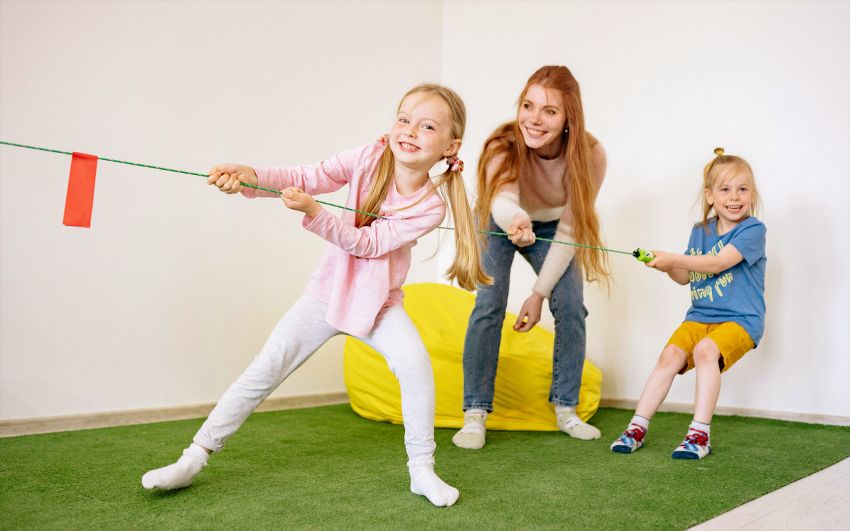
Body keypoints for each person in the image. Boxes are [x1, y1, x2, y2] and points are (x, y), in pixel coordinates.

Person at [141, 84, 489, 507]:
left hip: (378, 305)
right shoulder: (368, 156)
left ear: (450, 146)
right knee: (266, 367)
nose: (410, 131)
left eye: (427, 126)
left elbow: (368, 244)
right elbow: (307, 177)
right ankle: (193, 458)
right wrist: (250, 176)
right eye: (404, 119)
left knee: (415, 366)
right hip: (327, 292)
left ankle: (422, 471)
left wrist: (314, 212)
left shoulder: (431, 207)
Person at [452, 65, 609, 450]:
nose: (534, 119)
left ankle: (566, 408)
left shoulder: (590, 154)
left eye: (549, 111)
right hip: (501, 217)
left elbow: (571, 229)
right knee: (489, 303)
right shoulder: (502, 144)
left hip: (555, 227)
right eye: (528, 105)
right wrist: (516, 221)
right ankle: (475, 412)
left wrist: (539, 293)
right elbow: (501, 201)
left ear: (569, 117)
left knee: (570, 304)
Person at [610, 148, 766, 460]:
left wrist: (673, 258)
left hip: (741, 320)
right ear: (710, 196)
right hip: (699, 317)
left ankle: (699, 435)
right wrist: (664, 264)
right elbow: (685, 276)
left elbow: (718, 263)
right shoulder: (700, 231)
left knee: (706, 351)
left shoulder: (753, 230)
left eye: (742, 189)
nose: (735, 197)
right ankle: (636, 428)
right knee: (669, 355)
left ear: (752, 194)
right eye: (725, 189)